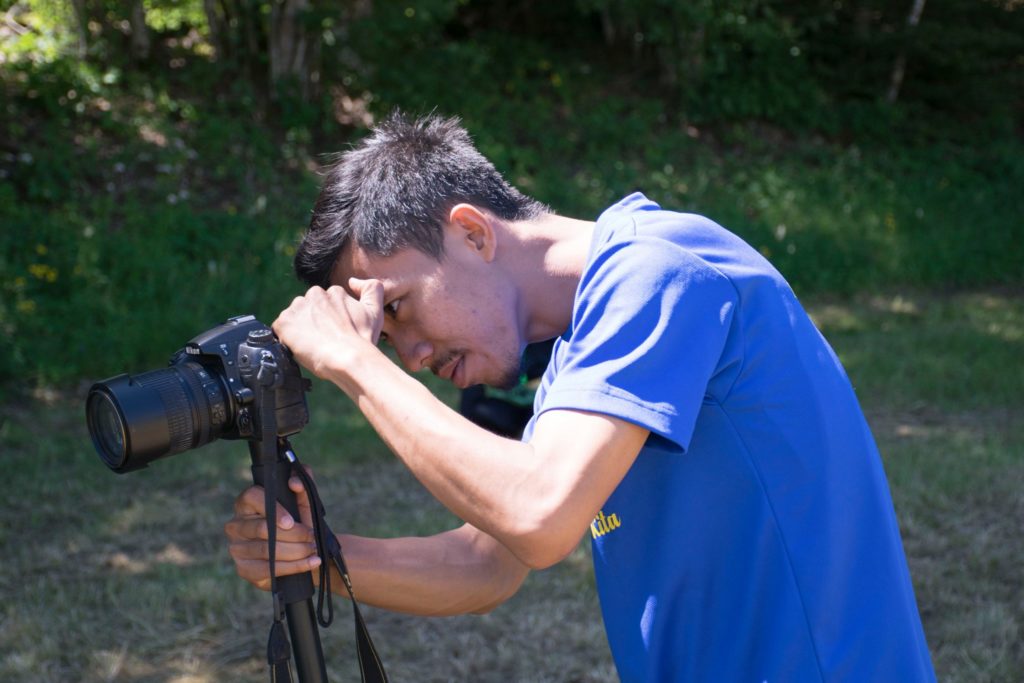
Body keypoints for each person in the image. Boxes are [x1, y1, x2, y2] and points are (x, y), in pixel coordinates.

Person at [224, 112, 936, 681]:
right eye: (385, 339)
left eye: (400, 307)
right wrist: (316, 556)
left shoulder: (657, 271)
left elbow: (538, 514)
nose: (408, 355)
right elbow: (489, 561)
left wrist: (353, 364)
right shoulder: (576, 351)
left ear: (471, 231)